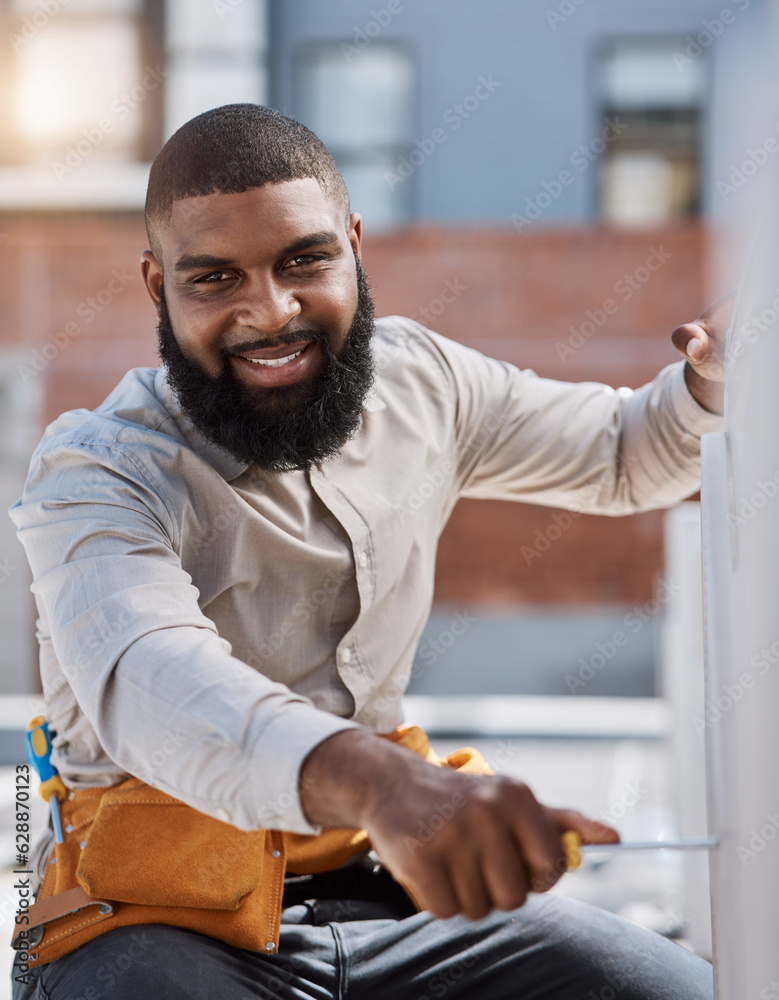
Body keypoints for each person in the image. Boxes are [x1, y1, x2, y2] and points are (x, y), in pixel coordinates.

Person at [10, 103, 725, 999]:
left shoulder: (423, 383)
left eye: (303, 260)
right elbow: (151, 676)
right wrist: (379, 781)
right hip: (152, 920)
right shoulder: (98, 469)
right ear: (158, 286)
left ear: (353, 243)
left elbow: (624, 451)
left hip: (395, 901)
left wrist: (708, 381)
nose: (269, 312)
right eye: (214, 278)